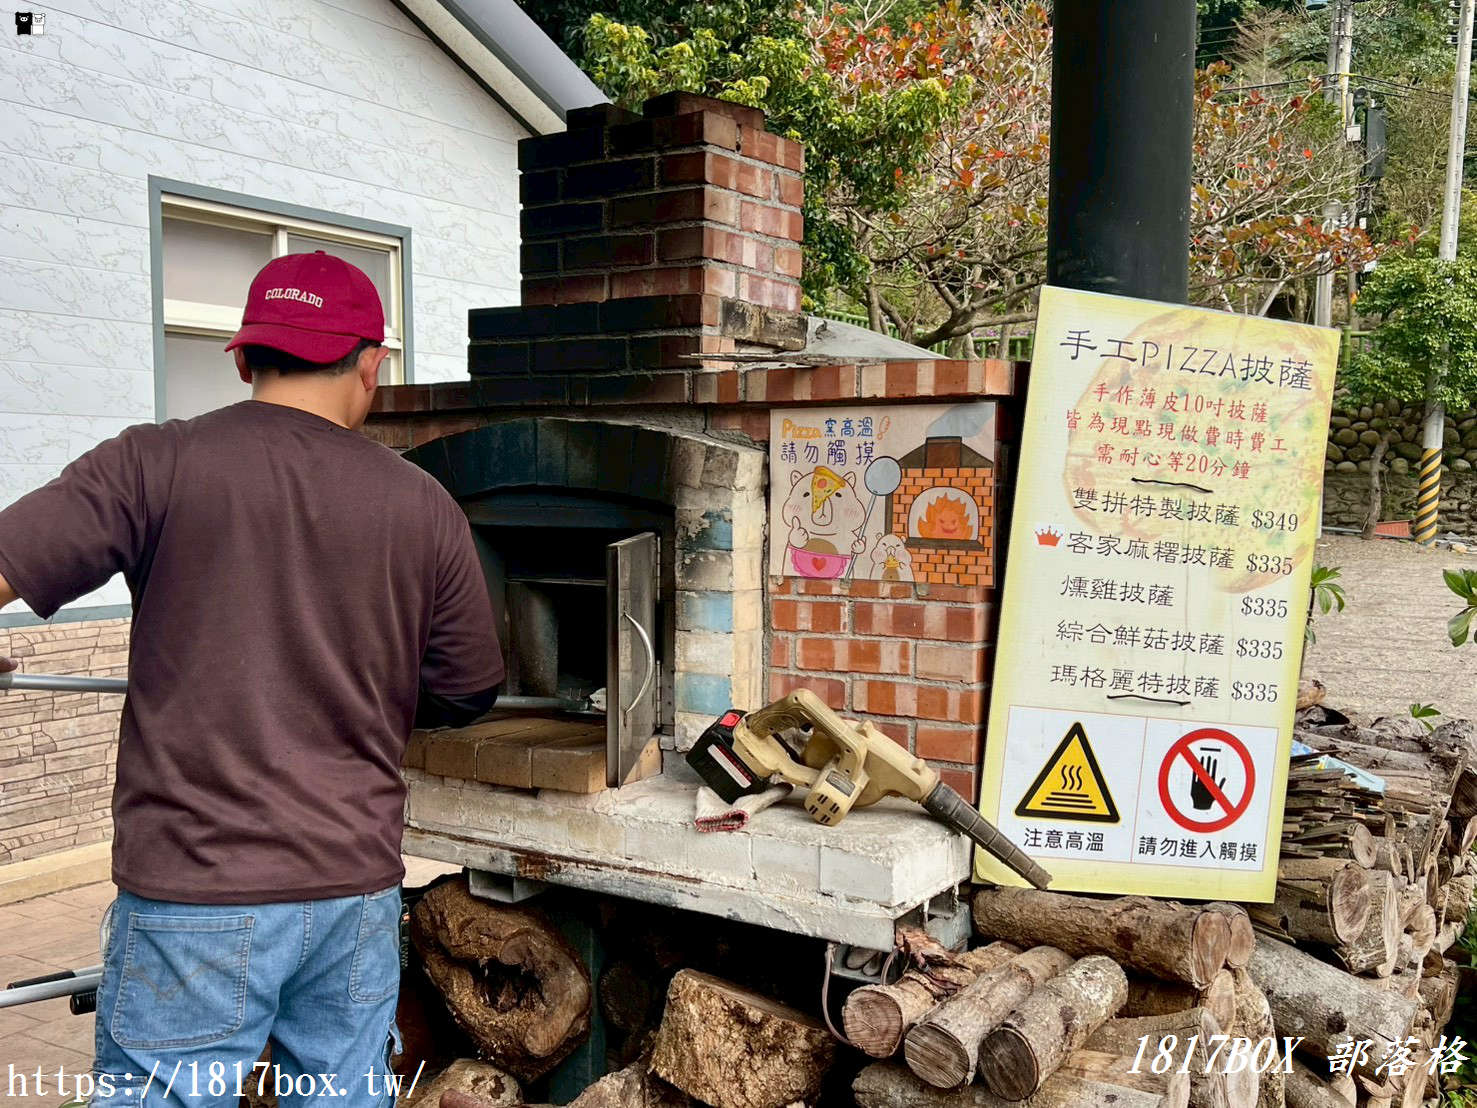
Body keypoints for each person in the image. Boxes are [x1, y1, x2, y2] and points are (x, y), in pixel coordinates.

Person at [0, 252, 503, 1106]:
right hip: (352, 888)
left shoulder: (152, 461)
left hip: (195, 887)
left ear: (244, 360)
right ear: (372, 364)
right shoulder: (423, 503)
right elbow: (467, 687)